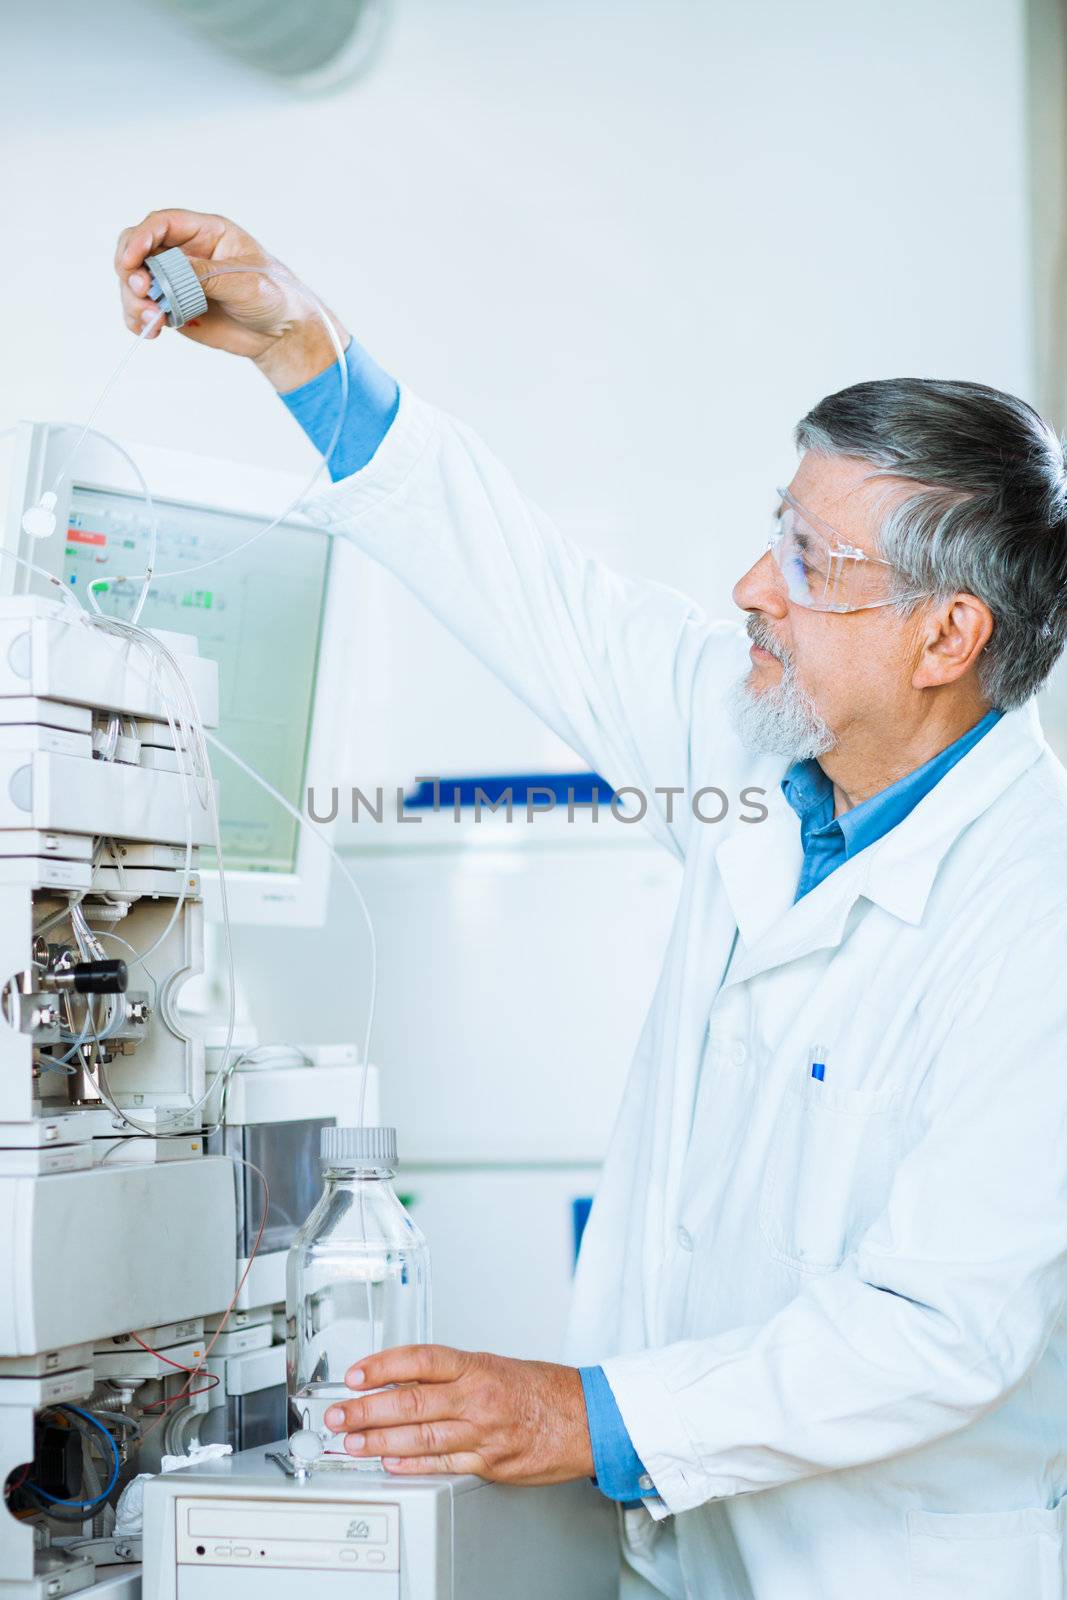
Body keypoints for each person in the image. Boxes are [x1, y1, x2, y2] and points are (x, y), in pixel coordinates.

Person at [115, 210, 1067, 1600]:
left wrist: (586, 1415)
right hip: (683, 1562)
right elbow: (539, 595)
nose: (752, 590)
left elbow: (938, 1328)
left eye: (811, 565)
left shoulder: (1035, 914)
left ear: (946, 636)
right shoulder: (763, 737)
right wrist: (300, 347)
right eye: (772, 538)